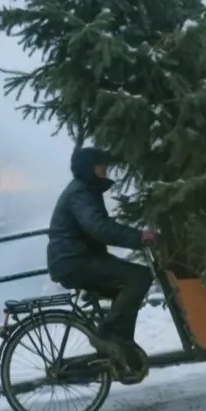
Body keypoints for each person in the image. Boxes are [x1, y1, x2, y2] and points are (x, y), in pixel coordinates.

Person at [46, 146, 157, 368]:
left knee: (125, 287)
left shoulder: (86, 190)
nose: (105, 168)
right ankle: (108, 335)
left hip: (77, 259)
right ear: (88, 168)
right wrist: (139, 237)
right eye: (100, 165)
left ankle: (120, 347)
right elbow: (99, 228)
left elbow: (100, 226)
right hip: (75, 262)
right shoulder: (79, 193)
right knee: (139, 277)